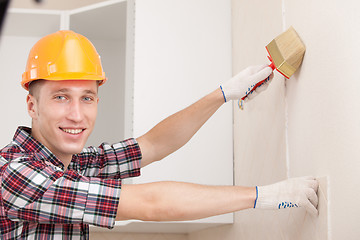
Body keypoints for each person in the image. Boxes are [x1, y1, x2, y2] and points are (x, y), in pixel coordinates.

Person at [0, 30, 318, 239]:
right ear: (32, 105)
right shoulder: (16, 174)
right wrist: (263, 196)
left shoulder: (74, 162)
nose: (77, 115)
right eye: (60, 97)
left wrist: (223, 93)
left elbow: (152, 144)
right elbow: (151, 203)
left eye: (86, 97)